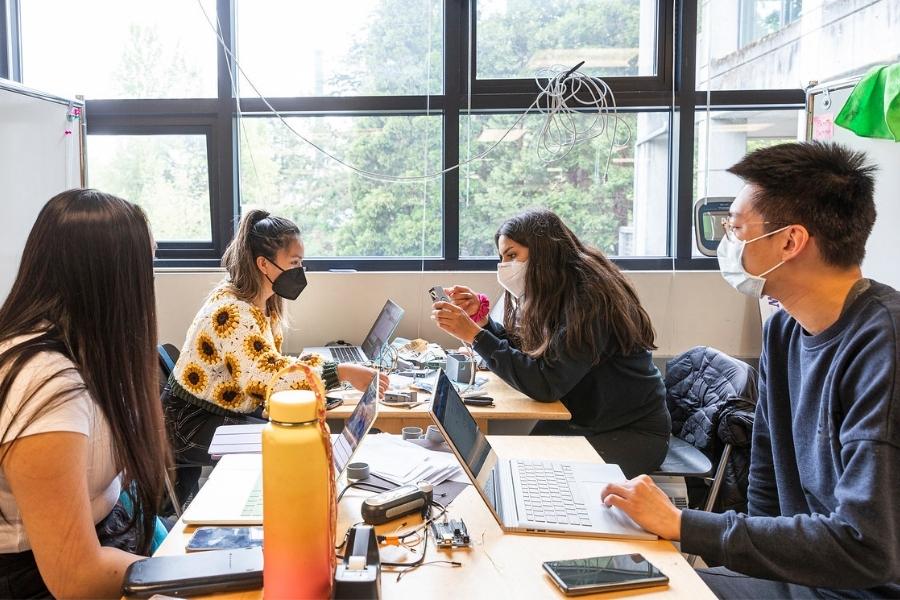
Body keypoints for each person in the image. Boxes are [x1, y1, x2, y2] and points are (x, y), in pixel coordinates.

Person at [600, 141, 900, 598]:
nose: (728, 241)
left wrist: (681, 524)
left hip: (862, 589)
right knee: (614, 585)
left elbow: (866, 548)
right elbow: (765, 483)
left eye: (736, 228)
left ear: (790, 241)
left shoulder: (883, 347)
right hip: (800, 577)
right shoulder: (784, 331)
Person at [0, 189, 169, 598]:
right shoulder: (42, 380)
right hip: (37, 581)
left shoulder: (88, 350)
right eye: (143, 267)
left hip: (114, 538)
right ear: (110, 278)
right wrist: (191, 572)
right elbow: (74, 576)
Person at [163, 210, 388, 503]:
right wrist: (340, 372)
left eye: (301, 262)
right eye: (294, 263)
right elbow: (267, 379)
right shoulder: (233, 313)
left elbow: (271, 364)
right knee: (290, 446)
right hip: (192, 422)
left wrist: (336, 372)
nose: (300, 270)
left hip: (221, 410)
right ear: (263, 264)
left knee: (299, 434)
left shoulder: (258, 300)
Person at [432, 209, 670, 477]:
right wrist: (484, 325)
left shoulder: (589, 299)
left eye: (512, 255)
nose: (504, 266)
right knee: (508, 467)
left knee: (527, 475)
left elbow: (545, 383)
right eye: (501, 257)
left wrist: (475, 336)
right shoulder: (558, 289)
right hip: (585, 419)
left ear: (542, 251)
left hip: (629, 433)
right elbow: (533, 354)